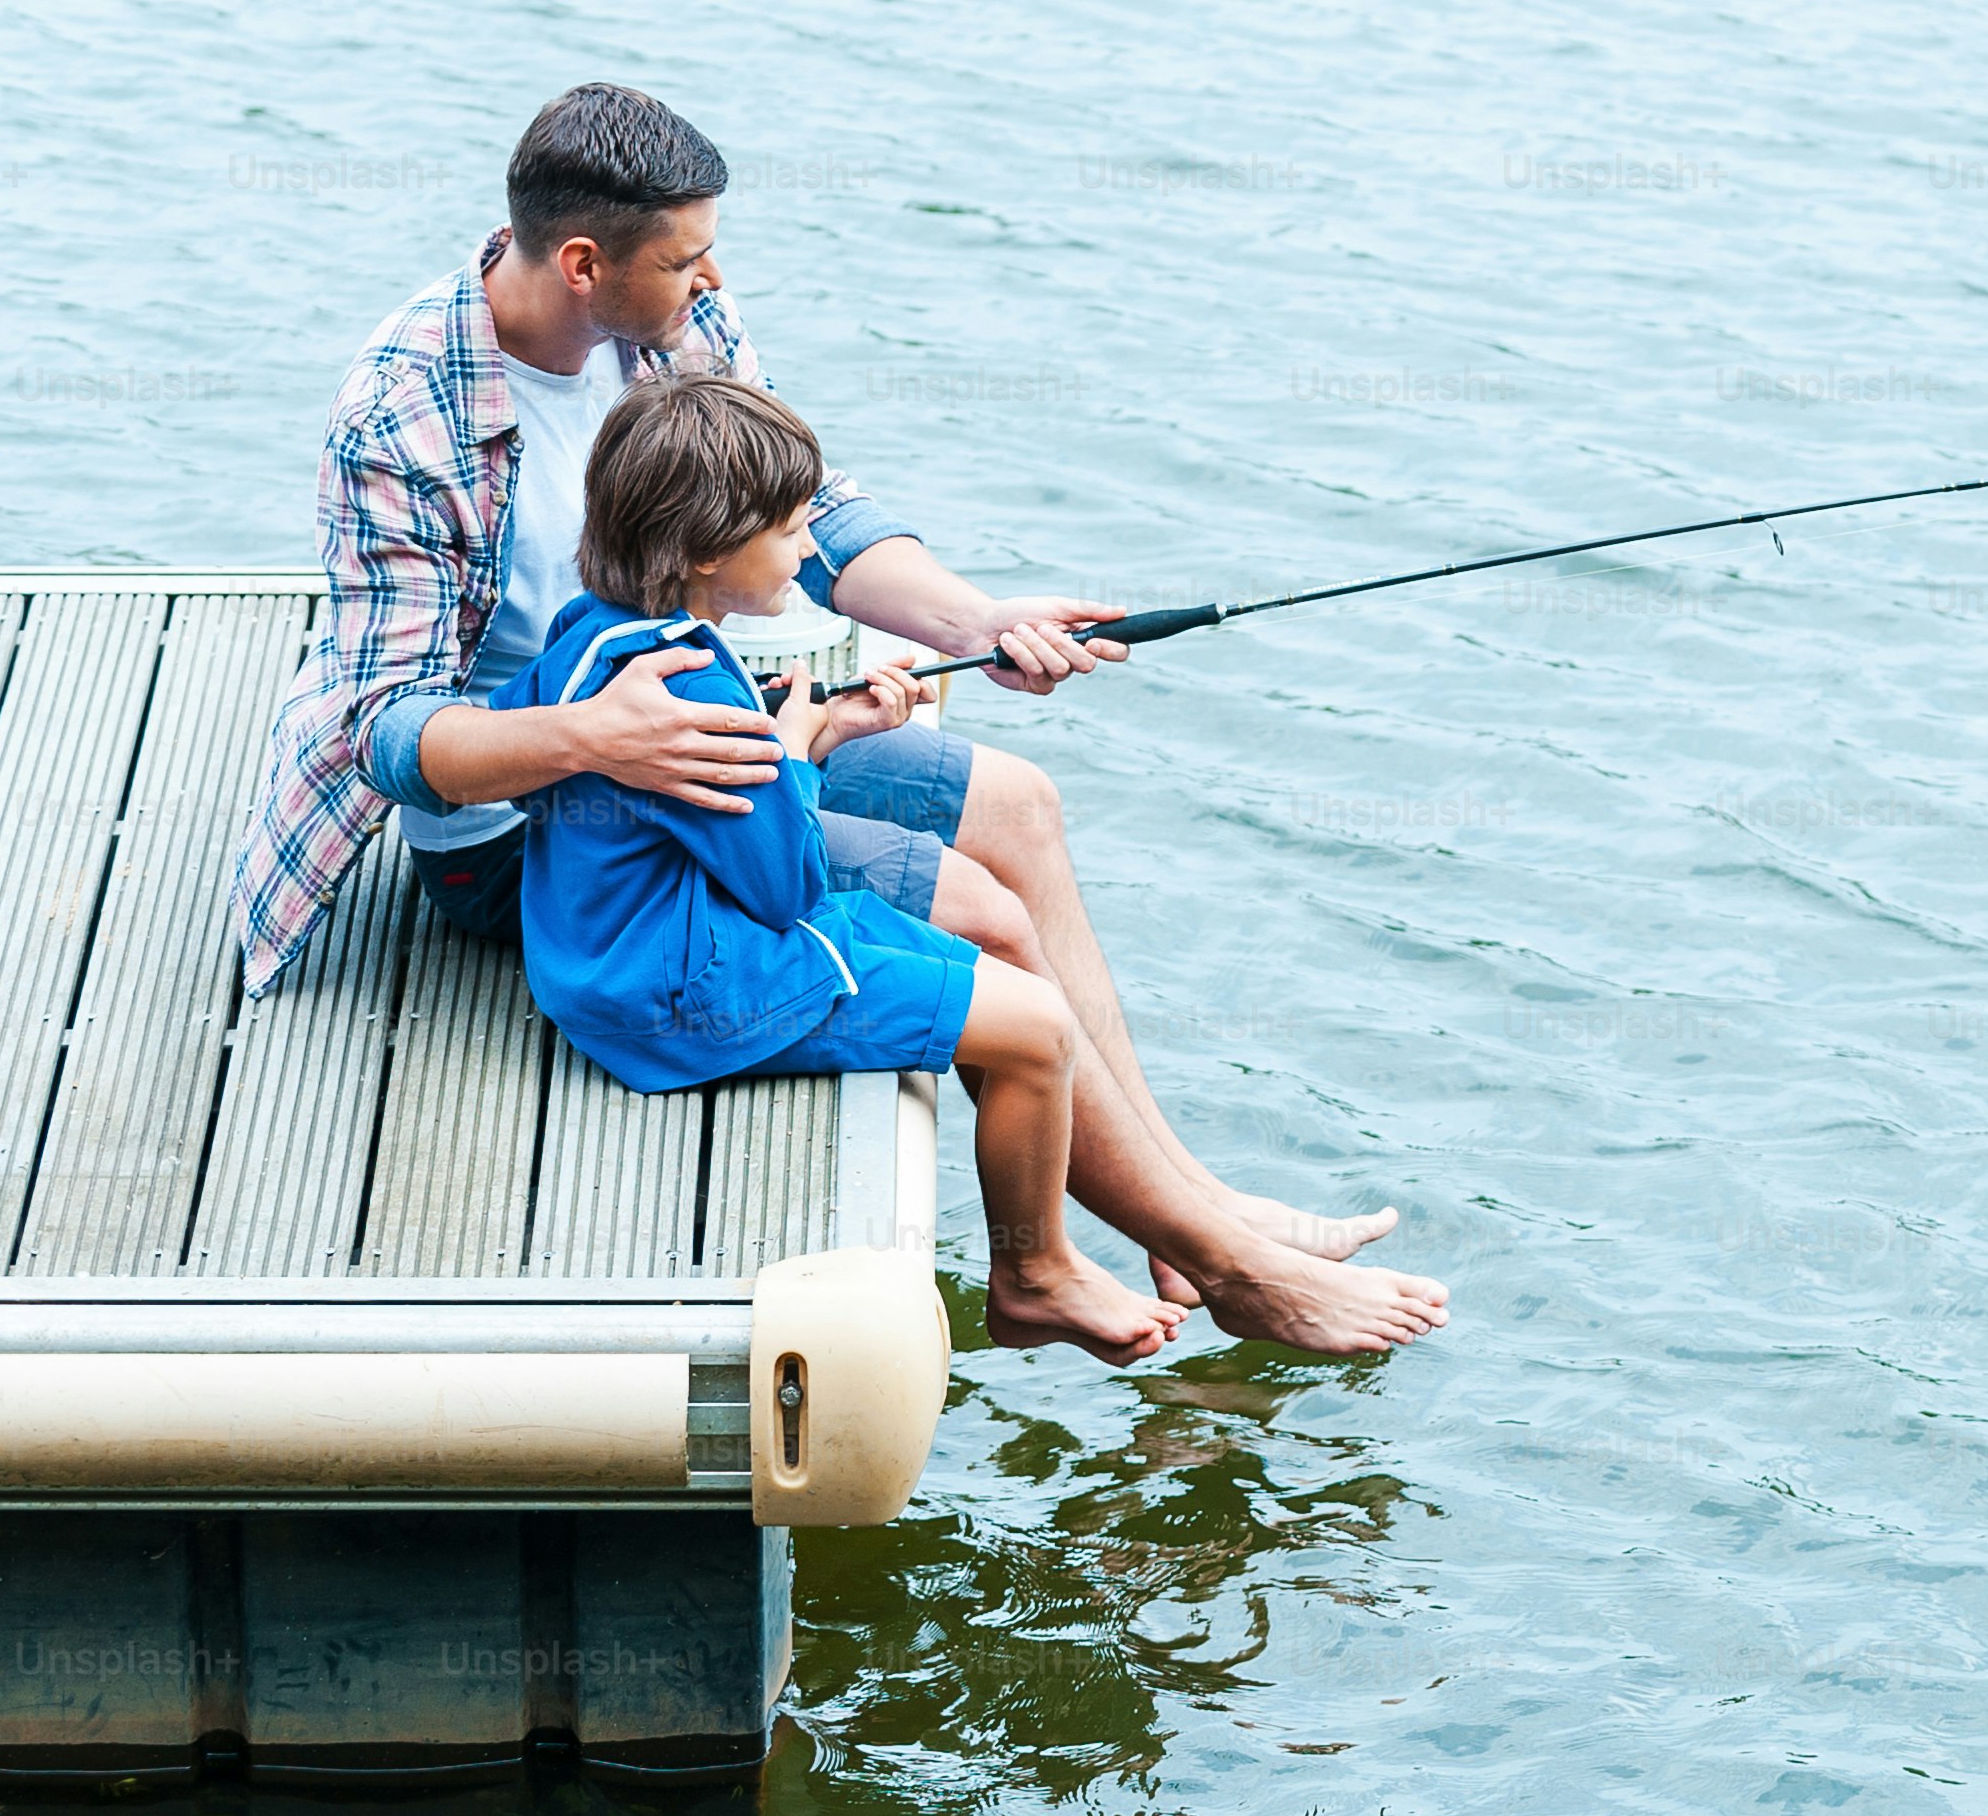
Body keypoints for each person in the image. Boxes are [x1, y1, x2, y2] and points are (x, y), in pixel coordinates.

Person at [225, 82, 1443, 1351]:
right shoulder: (402, 414)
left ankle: (1185, 1210)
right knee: (982, 919)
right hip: (528, 827)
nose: (711, 280)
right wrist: (595, 740)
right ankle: (1218, 1263)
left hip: (699, 735)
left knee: (1018, 804)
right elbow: (375, 730)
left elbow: (804, 510)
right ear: (584, 263)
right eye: (685, 259)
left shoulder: (670, 322)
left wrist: (973, 626)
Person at [497, 371, 1178, 1363]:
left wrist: (799, 731)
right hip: (677, 991)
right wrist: (796, 747)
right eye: (786, 530)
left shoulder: (595, 638)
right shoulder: (703, 699)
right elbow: (788, 885)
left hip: (603, 956)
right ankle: (1033, 1275)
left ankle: (1111, 1243)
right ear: (700, 552)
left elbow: (544, 777)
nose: (810, 549)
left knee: (996, 976)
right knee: (1035, 1032)